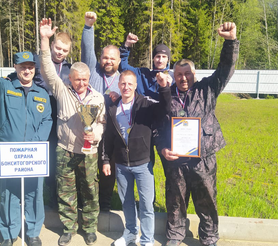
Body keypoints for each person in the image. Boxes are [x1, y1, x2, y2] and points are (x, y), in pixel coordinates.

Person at [155, 22, 239, 246]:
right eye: (179, 75)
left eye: (187, 74)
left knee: (207, 201)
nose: (183, 78)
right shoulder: (166, 95)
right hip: (176, 161)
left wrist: (230, 42)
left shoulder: (207, 89)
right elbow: (158, 129)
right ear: (174, 76)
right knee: (175, 201)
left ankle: (209, 237)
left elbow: (226, 67)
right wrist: (163, 148)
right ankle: (174, 236)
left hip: (204, 160)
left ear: (194, 74)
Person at [0, 38, 52, 246]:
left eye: (30, 67)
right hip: (9, 154)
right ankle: (9, 233)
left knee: (34, 192)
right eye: (23, 67)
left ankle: (32, 232)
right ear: (15, 67)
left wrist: (36, 142)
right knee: (9, 194)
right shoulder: (4, 86)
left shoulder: (42, 94)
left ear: (35, 69)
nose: (27, 71)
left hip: (33, 155)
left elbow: (47, 120)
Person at [0, 32, 73, 208]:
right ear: (52, 45)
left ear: (68, 51)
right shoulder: (36, 61)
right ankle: (22, 196)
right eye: (58, 48)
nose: (60, 52)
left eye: (64, 50)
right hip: (38, 113)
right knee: (36, 152)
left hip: (59, 118)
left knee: (54, 157)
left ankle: (51, 195)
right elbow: (13, 77)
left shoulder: (69, 69)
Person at [39, 18, 106, 246]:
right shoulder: (61, 90)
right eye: (77, 79)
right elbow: (47, 68)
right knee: (65, 192)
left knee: (89, 191)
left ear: (89, 79)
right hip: (65, 150)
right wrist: (45, 40)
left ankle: (89, 228)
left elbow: (102, 123)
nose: (81, 83)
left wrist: (95, 134)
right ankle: (68, 228)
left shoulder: (97, 97)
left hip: (89, 152)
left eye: (85, 80)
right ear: (70, 78)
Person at [102, 70, 171, 246]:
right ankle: (131, 233)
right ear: (118, 85)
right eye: (123, 83)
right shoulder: (112, 108)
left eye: (130, 84)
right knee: (127, 202)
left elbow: (165, 108)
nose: (126, 87)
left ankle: (147, 239)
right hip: (121, 164)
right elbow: (108, 136)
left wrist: (164, 87)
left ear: (135, 86)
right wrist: (105, 160)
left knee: (147, 205)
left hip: (143, 163)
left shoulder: (146, 105)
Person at [81, 11, 121, 212]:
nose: (108, 61)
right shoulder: (94, 72)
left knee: (108, 169)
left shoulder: (124, 79)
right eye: (105, 58)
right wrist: (89, 27)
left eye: (112, 59)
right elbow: (88, 51)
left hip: (113, 132)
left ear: (118, 61)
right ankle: (87, 203)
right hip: (92, 128)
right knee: (88, 167)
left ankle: (105, 203)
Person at [119, 32, 173, 101]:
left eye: (164, 57)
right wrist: (127, 45)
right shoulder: (142, 74)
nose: (160, 60)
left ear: (168, 59)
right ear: (153, 58)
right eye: (158, 56)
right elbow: (122, 66)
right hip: (141, 111)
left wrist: (169, 88)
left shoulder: (173, 78)